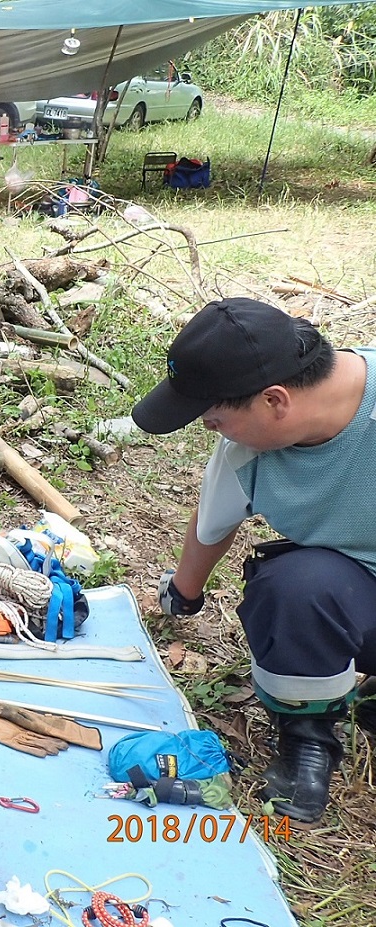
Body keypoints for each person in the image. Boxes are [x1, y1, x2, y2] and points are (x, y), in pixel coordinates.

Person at [132, 296, 376, 823]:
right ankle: (307, 741)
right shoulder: (246, 450)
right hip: (356, 592)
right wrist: (182, 595)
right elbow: (212, 523)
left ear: (274, 400)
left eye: (215, 420)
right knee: (295, 587)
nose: (211, 430)